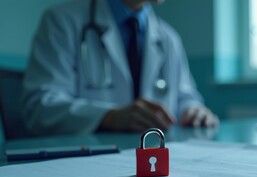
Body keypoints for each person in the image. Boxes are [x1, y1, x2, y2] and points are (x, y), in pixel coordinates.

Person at [20, 0, 219, 136]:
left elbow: (185, 97)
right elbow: (39, 107)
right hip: (84, 162)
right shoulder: (62, 22)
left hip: (154, 159)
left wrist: (193, 111)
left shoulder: (169, 38)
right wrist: (110, 117)